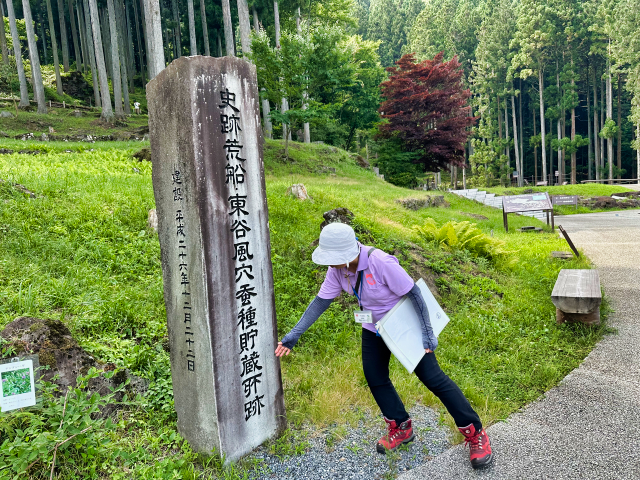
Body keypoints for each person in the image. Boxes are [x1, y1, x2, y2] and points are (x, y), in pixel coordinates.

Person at [275, 223, 493, 468]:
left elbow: (414, 294)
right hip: (374, 328)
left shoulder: (380, 262)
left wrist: (427, 332)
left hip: (405, 326)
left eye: (333, 259)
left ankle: (475, 433)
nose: (330, 264)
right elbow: (320, 302)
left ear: (347, 253)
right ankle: (401, 427)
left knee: (433, 379)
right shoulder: (337, 270)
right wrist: (294, 334)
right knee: (375, 377)